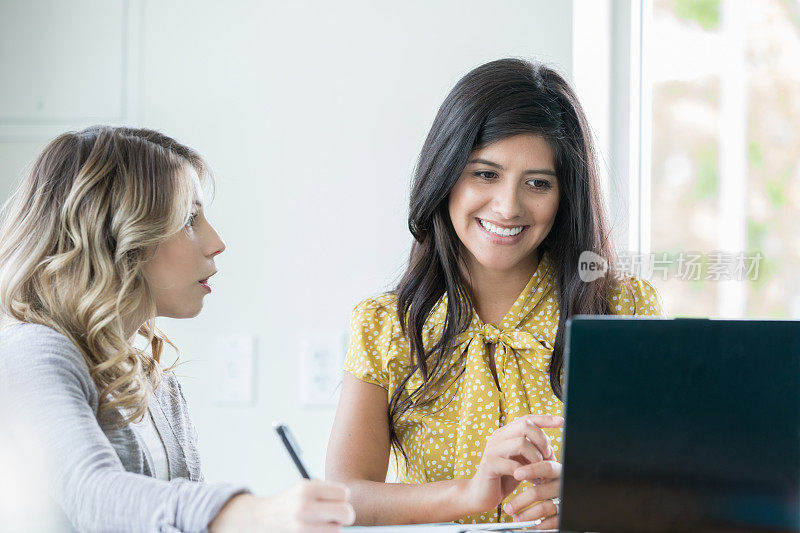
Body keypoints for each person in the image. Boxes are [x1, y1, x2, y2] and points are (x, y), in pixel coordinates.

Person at [326, 58, 664, 527]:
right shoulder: (386, 325)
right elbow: (345, 496)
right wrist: (467, 495)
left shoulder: (619, 310)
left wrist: (588, 505)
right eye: (485, 174)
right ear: (444, 175)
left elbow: (667, 485)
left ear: (565, 195)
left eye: (538, 183)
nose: (508, 207)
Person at [0, 126, 355, 533]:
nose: (217, 242)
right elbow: (93, 496)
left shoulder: (156, 383)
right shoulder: (31, 353)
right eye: (189, 219)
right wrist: (253, 514)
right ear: (116, 234)